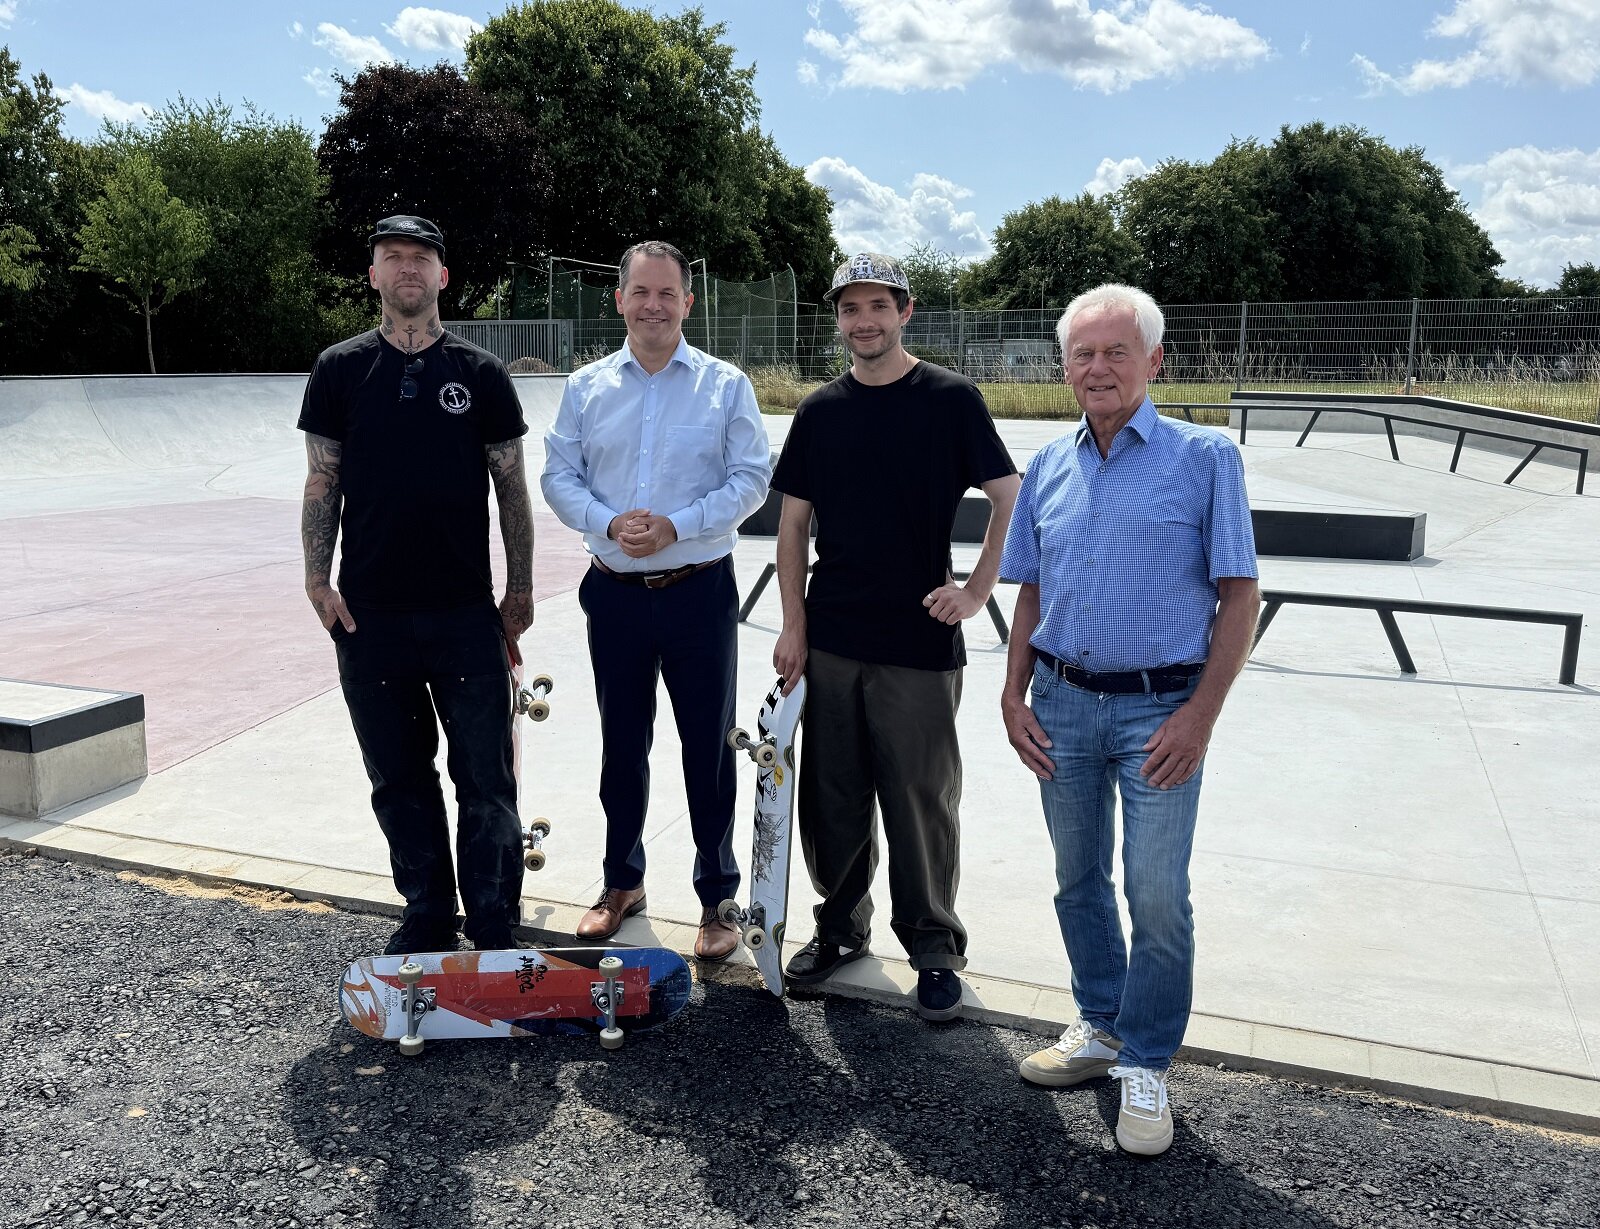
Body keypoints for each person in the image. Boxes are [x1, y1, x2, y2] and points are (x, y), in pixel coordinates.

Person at [999, 283, 1259, 1155]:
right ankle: (1101, 1023)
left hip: (1161, 708)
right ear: (1064, 366)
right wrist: (1012, 693)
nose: (1099, 367)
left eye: (1117, 351)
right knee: (1077, 878)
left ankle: (1145, 1059)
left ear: (1155, 359)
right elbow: (1030, 591)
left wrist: (1200, 716)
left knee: (1156, 892)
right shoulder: (1048, 464)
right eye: (1083, 353)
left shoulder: (1205, 457)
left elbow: (1241, 595)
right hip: (1062, 704)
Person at [770, 252, 1020, 1021]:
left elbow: (1010, 495)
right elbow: (792, 528)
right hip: (833, 635)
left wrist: (976, 590)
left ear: (905, 310)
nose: (864, 321)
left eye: (879, 305)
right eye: (850, 308)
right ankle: (841, 928)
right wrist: (794, 624)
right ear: (838, 318)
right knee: (832, 798)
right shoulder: (820, 411)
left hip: (918, 640)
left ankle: (934, 948)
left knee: (919, 801)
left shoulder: (950, 399)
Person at [299, 214, 536, 955]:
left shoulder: (481, 373)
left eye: (421, 257)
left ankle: (492, 917)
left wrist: (520, 589)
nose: (408, 267)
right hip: (370, 619)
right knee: (398, 777)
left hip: (465, 613)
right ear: (373, 274)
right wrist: (316, 579)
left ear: (443, 276)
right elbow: (322, 479)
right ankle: (429, 910)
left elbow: (511, 487)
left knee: (486, 779)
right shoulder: (339, 369)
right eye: (393, 256)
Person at [541, 240, 771, 962]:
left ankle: (717, 897)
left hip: (698, 590)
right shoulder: (586, 387)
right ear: (619, 299)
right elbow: (558, 475)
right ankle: (622, 882)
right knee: (621, 744)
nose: (653, 305)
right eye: (640, 291)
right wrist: (608, 522)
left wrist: (679, 524)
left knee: (709, 747)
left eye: (668, 293)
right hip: (613, 595)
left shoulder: (725, 386)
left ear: (687, 303)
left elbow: (751, 478)